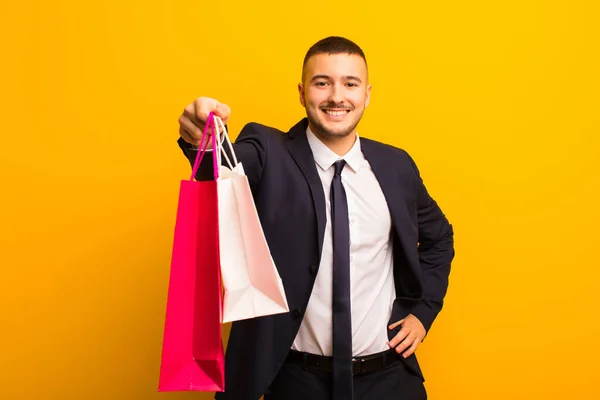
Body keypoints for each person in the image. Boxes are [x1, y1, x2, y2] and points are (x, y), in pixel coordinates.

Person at [176, 36, 454, 400]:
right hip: (296, 380)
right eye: (322, 82)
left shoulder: (395, 166)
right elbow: (224, 170)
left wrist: (423, 311)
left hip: (387, 379)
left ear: (366, 95)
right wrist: (202, 140)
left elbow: (439, 237)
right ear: (302, 91)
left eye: (350, 84)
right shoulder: (267, 151)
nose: (337, 96)